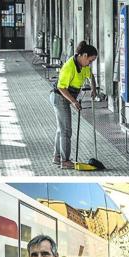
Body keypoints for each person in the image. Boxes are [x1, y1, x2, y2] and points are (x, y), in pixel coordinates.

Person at [50, 41, 98, 169]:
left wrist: (94, 89)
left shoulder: (84, 66)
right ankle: (65, 161)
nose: (90, 63)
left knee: (61, 129)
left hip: (66, 97)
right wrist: (74, 101)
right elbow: (61, 87)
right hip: (59, 97)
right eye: (90, 60)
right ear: (84, 55)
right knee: (66, 130)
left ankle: (57, 157)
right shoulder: (69, 66)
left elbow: (91, 76)